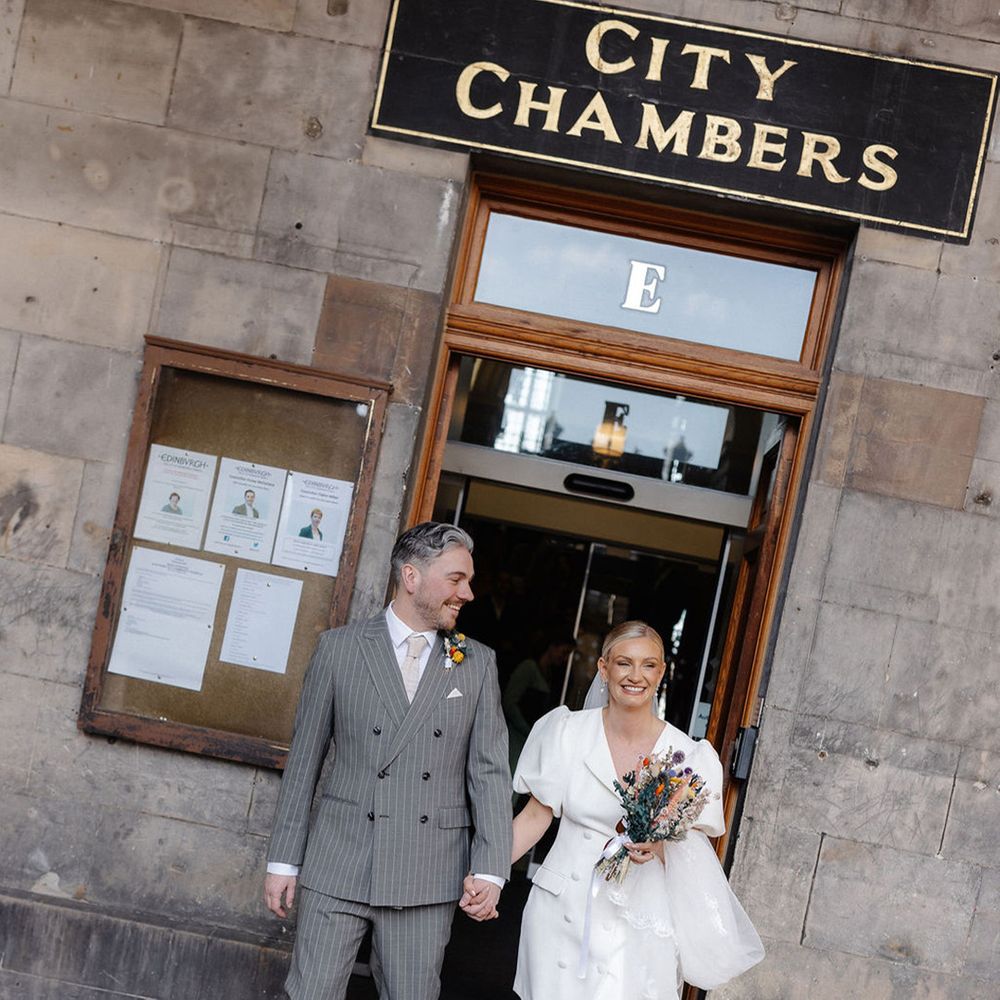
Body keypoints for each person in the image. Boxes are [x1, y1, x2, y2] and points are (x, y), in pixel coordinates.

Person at [264, 522, 512, 1000]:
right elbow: (304, 764)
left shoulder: (476, 662)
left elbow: (489, 772)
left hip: (427, 869)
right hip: (339, 859)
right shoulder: (339, 649)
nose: (469, 593)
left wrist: (490, 868)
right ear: (411, 576)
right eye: (456, 579)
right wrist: (283, 862)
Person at [484, 620, 764, 1000]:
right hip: (561, 912)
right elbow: (534, 817)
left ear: (662, 672)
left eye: (649, 665)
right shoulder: (566, 732)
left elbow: (695, 853)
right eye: (624, 663)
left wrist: (661, 847)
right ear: (604, 668)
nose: (636, 676)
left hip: (638, 921)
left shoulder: (688, 759)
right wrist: (489, 876)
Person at [502, 634, 576, 774]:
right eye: (564, 652)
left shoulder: (550, 675)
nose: (565, 658)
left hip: (529, 739)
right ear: (553, 647)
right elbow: (509, 702)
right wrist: (527, 730)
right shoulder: (529, 667)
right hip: (514, 737)